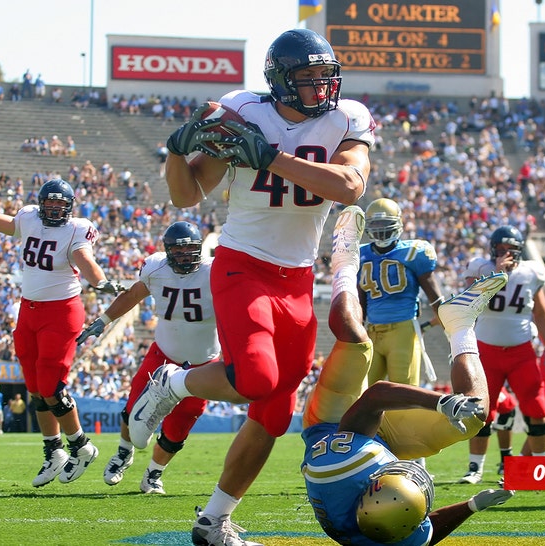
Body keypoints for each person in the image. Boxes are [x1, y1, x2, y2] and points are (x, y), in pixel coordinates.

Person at [139, 28, 375, 544]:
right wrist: (176, 152)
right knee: (257, 379)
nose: (320, 87)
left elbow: (350, 187)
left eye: (324, 76)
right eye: (307, 77)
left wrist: (267, 156)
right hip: (242, 264)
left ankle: (214, 520)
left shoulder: (346, 118)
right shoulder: (243, 111)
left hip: (296, 278)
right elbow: (186, 197)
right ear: (280, 80)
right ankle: (173, 384)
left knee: (275, 410)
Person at [301, 207, 513, 545]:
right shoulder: (386, 530)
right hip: (376, 442)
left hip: (332, 425)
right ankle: (461, 325)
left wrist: (441, 401)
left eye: (397, 474)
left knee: (357, 344)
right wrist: (471, 506)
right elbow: (427, 533)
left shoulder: (347, 464)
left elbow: (377, 395)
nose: (407, 472)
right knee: (474, 416)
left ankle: (342, 257)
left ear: (373, 484)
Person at [0, 177, 125, 487]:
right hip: (28, 310)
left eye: (61, 204)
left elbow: (85, 259)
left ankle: (81, 446)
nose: (55, 208)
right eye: (50, 202)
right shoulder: (28, 217)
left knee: (50, 385)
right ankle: (53, 450)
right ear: (41, 204)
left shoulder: (76, 229)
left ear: (69, 207)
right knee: (34, 387)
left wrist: (100, 281)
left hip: (61, 312)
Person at [77, 221, 219, 495]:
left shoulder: (214, 270)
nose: (185, 256)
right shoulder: (156, 268)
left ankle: (153, 474)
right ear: (167, 252)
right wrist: (104, 319)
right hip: (164, 354)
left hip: (203, 361)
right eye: (178, 251)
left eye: (191, 250)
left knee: (180, 425)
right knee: (133, 407)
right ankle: (123, 452)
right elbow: (133, 295)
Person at [457, 226, 545, 484]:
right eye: (501, 250)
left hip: (521, 349)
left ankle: (541, 470)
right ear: (492, 250)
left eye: (511, 250)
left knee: (537, 407)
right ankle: (475, 469)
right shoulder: (481, 268)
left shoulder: (531, 272)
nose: (506, 254)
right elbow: (469, 302)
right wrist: (497, 275)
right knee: (480, 409)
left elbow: (542, 313)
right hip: (486, 349)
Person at [358, 197, 444, 387]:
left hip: (402, 330)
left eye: (385, 223)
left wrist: (448, 323)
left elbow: (433, 293)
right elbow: (360, 300)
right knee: (364, 393)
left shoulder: (414, 252)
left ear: (397, 224)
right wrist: (357, 329)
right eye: (375, 224)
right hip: (372, 331)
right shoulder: (360, 254)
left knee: (403, 391)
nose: (380, 229)